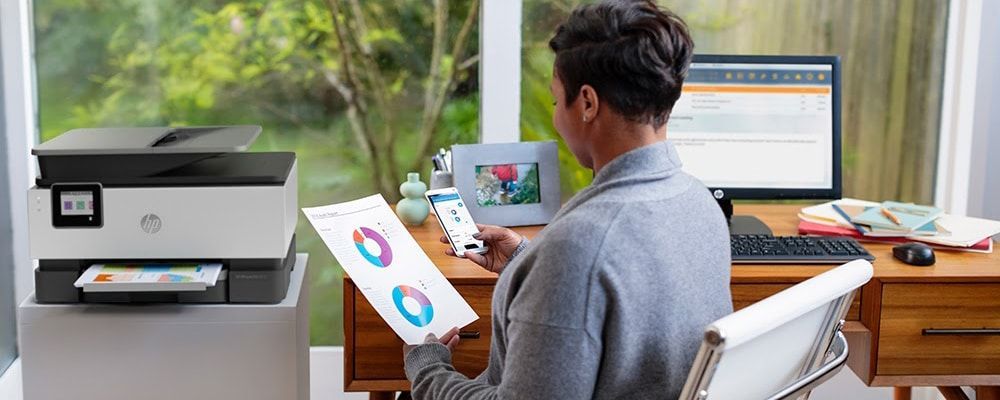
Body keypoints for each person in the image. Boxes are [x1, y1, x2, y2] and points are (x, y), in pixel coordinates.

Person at [403, 1, 732, 398]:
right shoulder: (698, 203)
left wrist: (428, 370)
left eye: (558, 101)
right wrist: (530, 261)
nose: (558, 116)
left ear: (588, 103)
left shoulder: (578, 248)